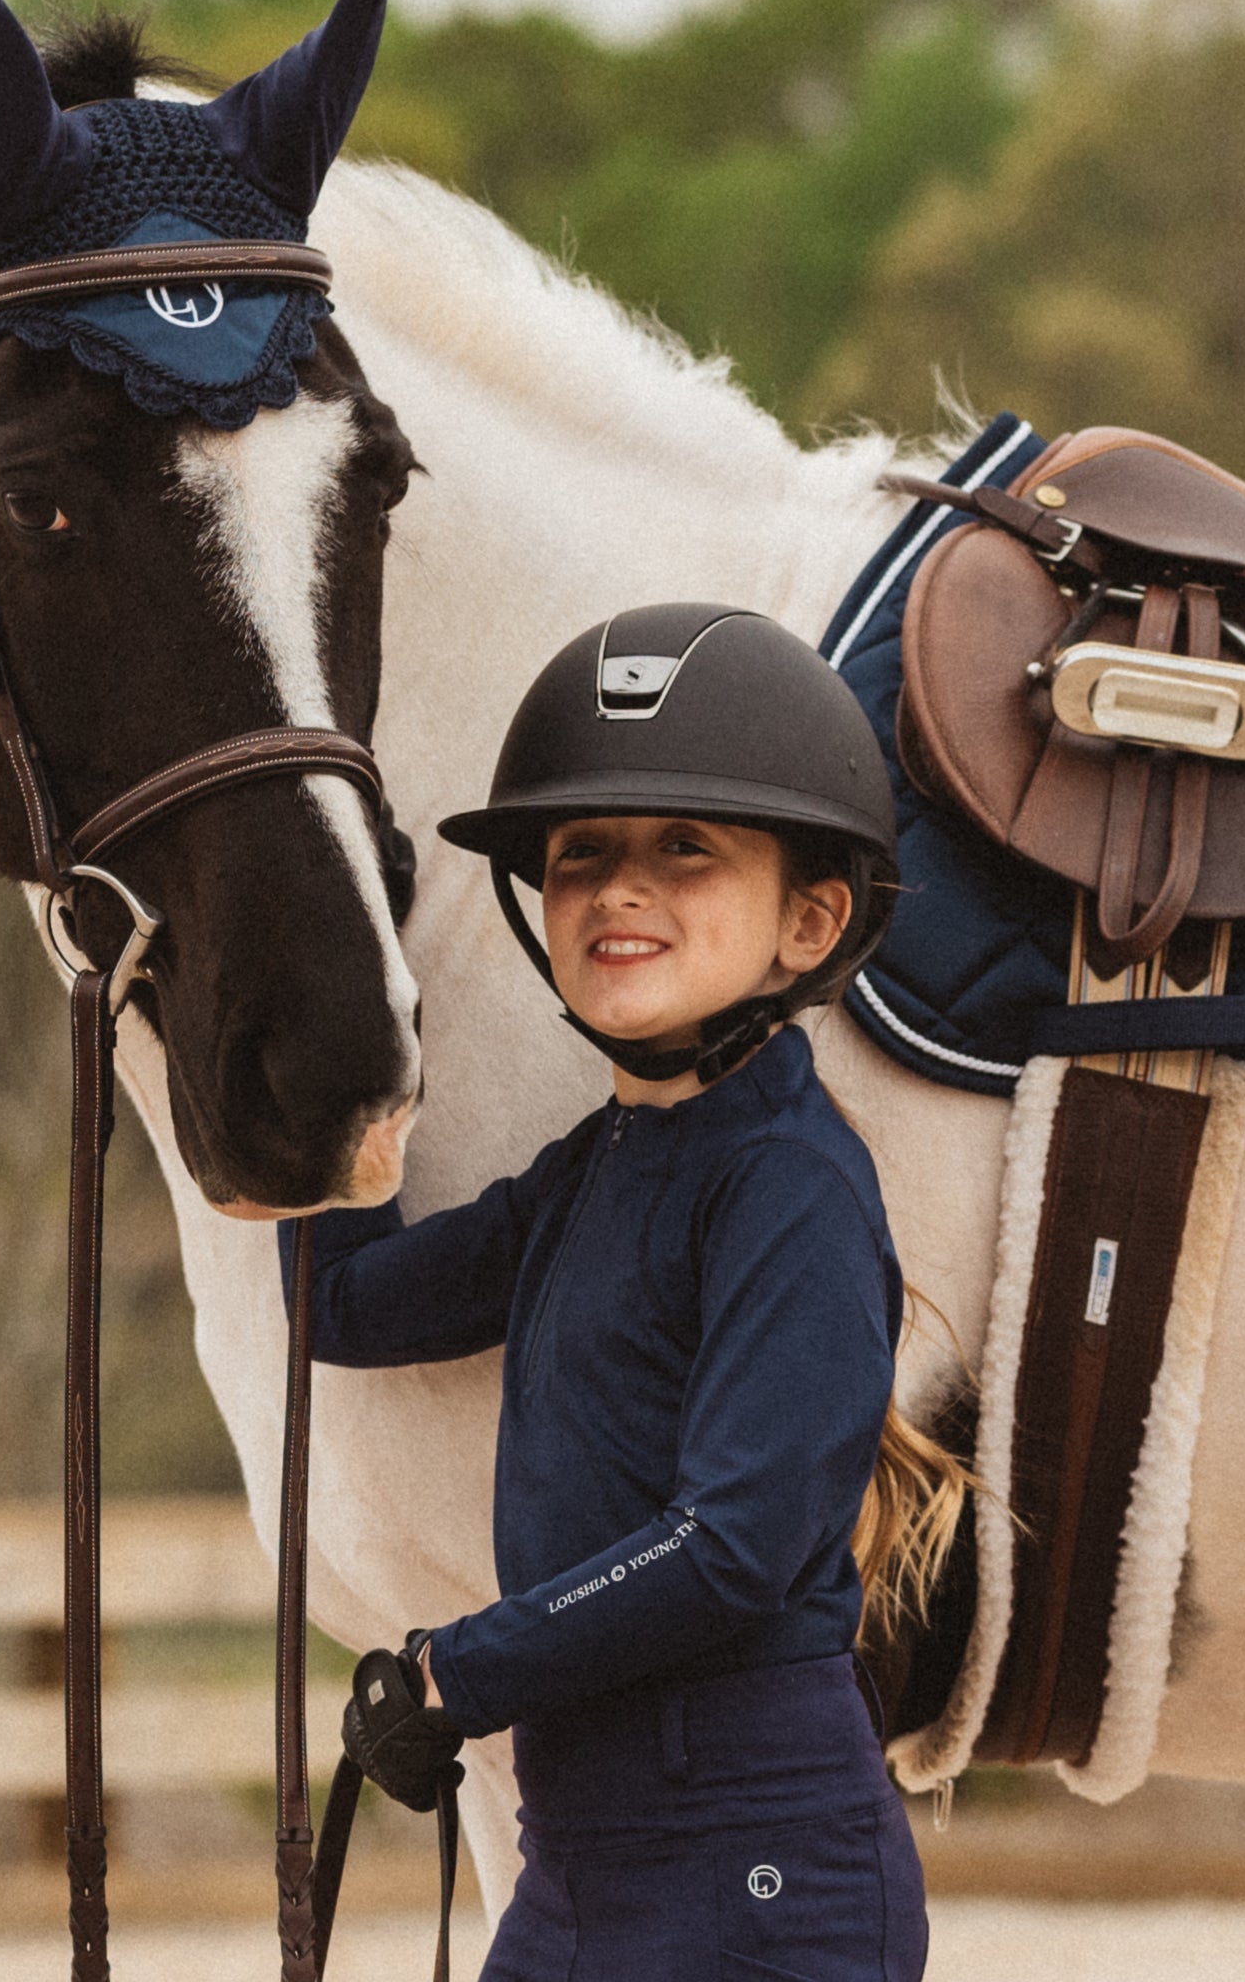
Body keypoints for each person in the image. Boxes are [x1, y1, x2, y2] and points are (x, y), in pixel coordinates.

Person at [281, 603, 960, 1981]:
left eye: (684, 851)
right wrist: (328, 1010)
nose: (617, 889)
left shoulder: (791, 1189)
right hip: (582, 1868)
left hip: (762, 1876)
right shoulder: (590, 1175)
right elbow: (343, 1306)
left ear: (809, 919)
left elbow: (733, 1543)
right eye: (581, 856)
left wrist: (450, 1674)